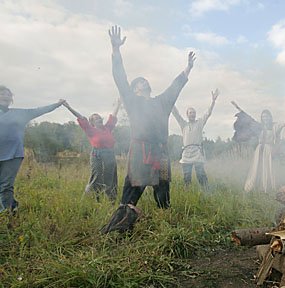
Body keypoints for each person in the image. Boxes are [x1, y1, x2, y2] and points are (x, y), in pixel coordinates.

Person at [101, 26, 194, 233]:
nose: (143, 83)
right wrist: (116, 51)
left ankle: (166, 226)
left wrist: (187, 69)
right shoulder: (132, 101)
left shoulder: (161, 102)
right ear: (134, 90)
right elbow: (120, 79)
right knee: (132, 189)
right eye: (139, 82)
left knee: (163, 189)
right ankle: (118, 229)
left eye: (145, 81)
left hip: (160, 152)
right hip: (140, 152)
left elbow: (174, 88)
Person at [0, 85, 65, 214]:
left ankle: (5, 214)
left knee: (5, 185)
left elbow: (39, 110)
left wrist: (57, 104)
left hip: (13, 154)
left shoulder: (19, 114)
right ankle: (12, 206)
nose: (6, 96)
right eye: (2, 93)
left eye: (9, 94)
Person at [231, 103, 285, 193]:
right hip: (259, 150)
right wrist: (238, 108)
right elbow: (249, 118)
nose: (265, 118)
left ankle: (267, 188)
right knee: (257, 168)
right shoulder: (258, 126)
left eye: (267, 116)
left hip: (268, 150)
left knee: (268, 169)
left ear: (270, 117)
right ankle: (253, 187)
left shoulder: (275, 126)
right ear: (262, 118)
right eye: (263, 117)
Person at [64, 100, 120, 201]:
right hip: (97, 155)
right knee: (96, 176)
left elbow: (113, 115)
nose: (99, 119)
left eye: (99, 117)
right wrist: (69, 107)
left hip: (109, 155)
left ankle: (111, 200)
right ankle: (92, 197)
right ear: (92, 122)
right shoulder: (90, 130)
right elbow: (81, 118)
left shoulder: (107, 128)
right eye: (96, 118)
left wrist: (118, 103)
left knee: (110, 178)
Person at [171, 89, 219, 188]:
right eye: (190, 113)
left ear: (195, 114)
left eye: (193, 113)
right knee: (186, 176)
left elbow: (208, 113)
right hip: (186, 153)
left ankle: (206, 191)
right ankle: (187, 191)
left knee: (201, 174)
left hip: (197, 152)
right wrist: (171, 101)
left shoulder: (200, 123)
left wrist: (213, 101)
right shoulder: (183, 124)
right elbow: (176, 114)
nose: (192, 114)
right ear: (187, 115)